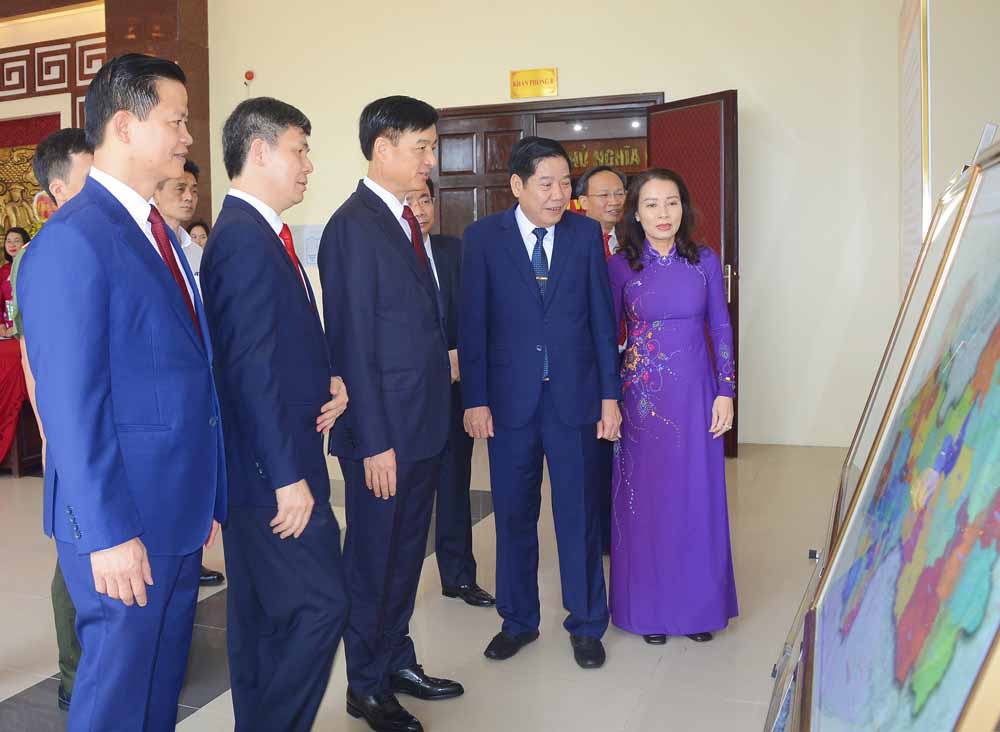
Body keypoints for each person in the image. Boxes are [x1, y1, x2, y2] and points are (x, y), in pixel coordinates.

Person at [17, 53, 227, 731]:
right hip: (119, 518)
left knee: (157, 688)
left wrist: (208, 494)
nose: (188, 136)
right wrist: (107, 534)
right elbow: (70, 406)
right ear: (125, 126)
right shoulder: (74, 241)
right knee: (115, 697)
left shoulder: (155, 230)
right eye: (175, 120)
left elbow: (184, 369)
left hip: (171, 507)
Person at [200, 96, 350, 732]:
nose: (309, 164)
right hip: (272, 473)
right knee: (323, 604)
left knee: (260, 616)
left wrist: (328, 380)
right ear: (259, 151)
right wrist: (287, 476)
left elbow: (275, 347)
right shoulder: (242, 241)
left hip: (274, 460)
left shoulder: (257, 234)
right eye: (300, 148)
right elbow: (249, 371)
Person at [320, 95, 462, 732]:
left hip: (420, 424)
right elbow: (352, 342)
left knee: (407, 556)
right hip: (385, 436)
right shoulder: (354, 226)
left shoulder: (404, 221)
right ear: (383, 147)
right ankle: (365, 684)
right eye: (422, 147)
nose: (432, 160)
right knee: (375, 561)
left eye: (433, 146)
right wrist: (373, 440)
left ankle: (396, 656)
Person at [459, 137, 621, 670]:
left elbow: (602, 321)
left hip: (573, 400)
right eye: (546, 184)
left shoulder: (585, 235)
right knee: (513, 515)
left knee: (578, 516)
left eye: (565, 183)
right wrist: (476, 400)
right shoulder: (483, 239)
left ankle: (586, 622)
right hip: (509, 404)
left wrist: (609, 397)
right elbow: (474, 326)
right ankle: (518, 621)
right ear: (517, 186)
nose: (558, 195)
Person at [606, 168, 738, 646]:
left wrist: (727, 389)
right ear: (635, 214)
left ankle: (698, 609)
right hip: (641, 402)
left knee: (697, 498)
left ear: (684, 208)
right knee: (647, 505)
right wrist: (610, 400)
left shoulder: (703, 260)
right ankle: (649, 612)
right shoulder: (621, 266)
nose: (664, 214)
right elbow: (606, 337)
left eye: (672, 203)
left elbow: (720, 328)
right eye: (652, 204)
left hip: (698, 396)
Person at [14, 128, 94, 712]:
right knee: (75, 555)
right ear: (57, 190)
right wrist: (51, 431)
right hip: (70, 432)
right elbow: (33, 356)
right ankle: (74, 675)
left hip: (93, 429)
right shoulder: (43, 255)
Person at [405, 179, 495, 608]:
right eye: (411, 201)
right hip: (408, 397)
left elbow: (477, 314)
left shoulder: (453, 251)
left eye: (426, 199)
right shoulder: (386, 253)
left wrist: (467, 358)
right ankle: (398, 585)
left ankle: (458, 576)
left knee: (455, 484)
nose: (421, 209)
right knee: (409, 494)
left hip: (456, 390)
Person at [152, 159, 225, 588]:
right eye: (179, 188)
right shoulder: (144, 247)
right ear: (155, 191)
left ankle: (191, 555)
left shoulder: (198, 251)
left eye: (194, 189)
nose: (188, 196)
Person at [576, 165, 628, 554]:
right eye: (603, 195)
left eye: (619, 193)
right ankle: (596, 537)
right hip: (590, 367)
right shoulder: (574, 243)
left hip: (633, 362)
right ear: (582, 201)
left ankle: (623, 529)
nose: (613, 202)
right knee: (593, 457)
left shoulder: (630, 240)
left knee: (626, 451)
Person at [2, 227, 30, 336]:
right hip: (8, 328)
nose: (12, 245)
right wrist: (1, 326)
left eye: (17, 241)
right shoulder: (3, 271)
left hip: (28, 324)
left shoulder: (31, 268)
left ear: (25, 244)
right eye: (8, 241)